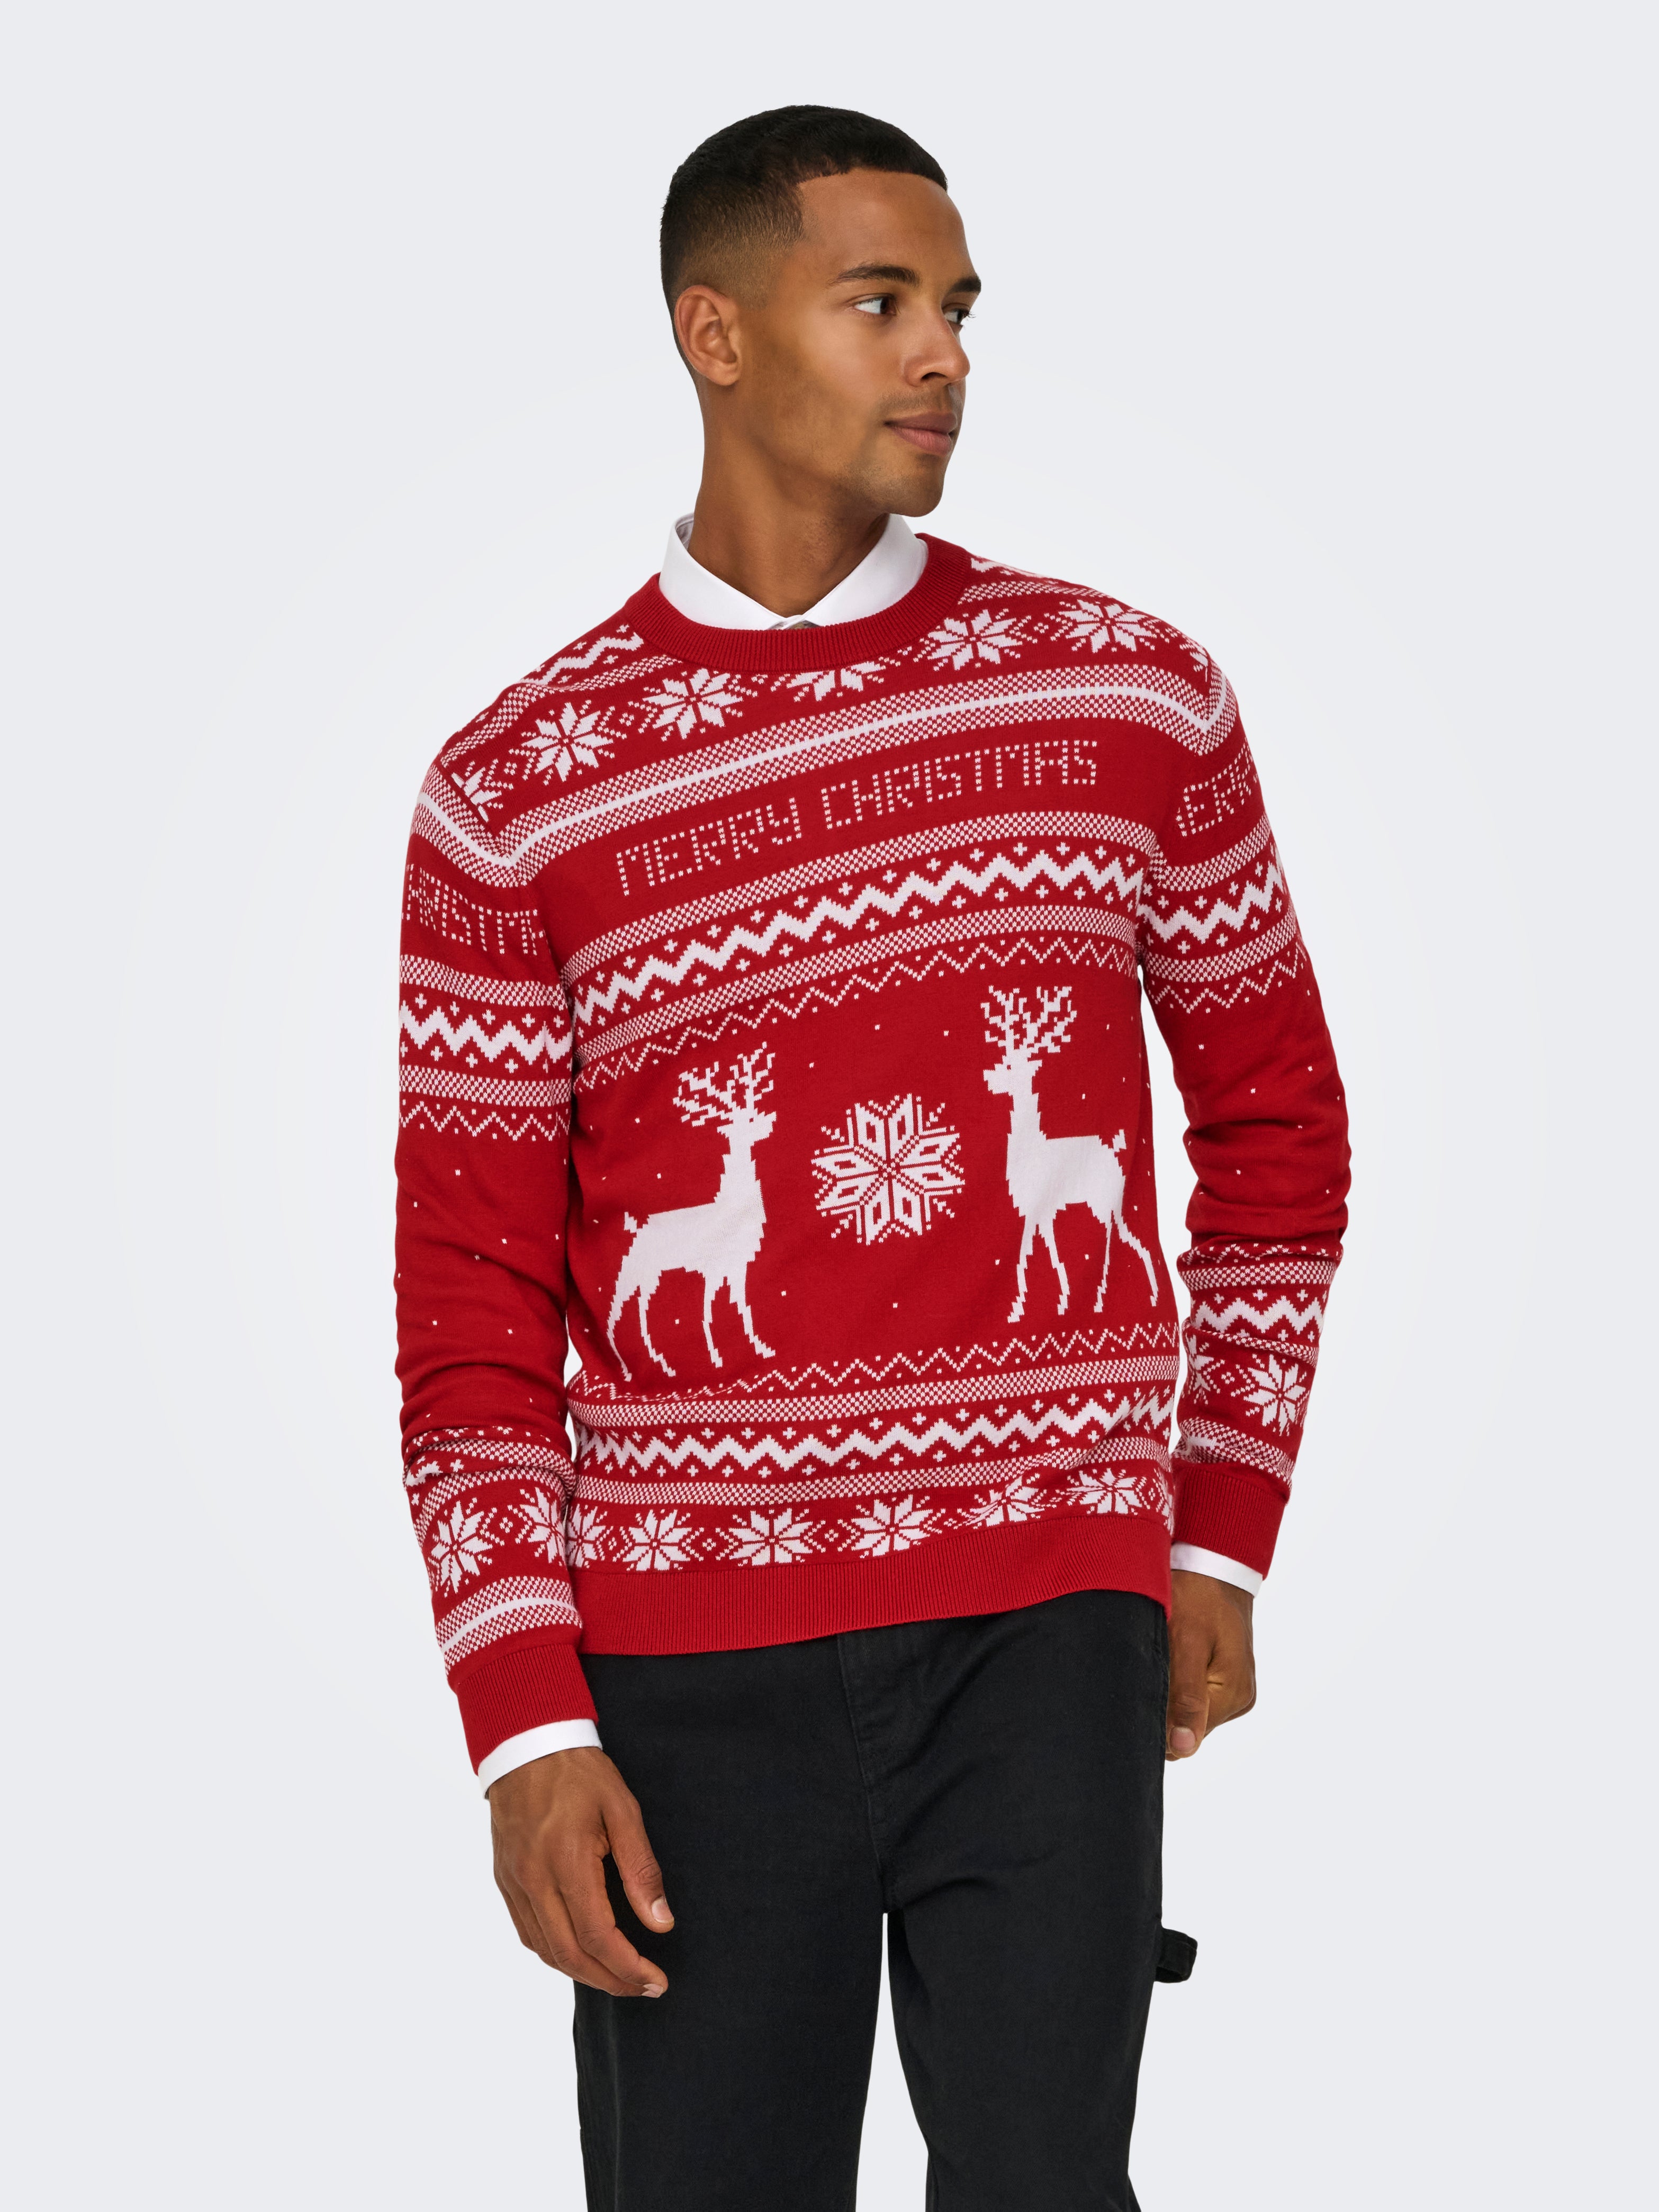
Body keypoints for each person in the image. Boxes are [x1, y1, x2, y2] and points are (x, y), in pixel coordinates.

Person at [395, 105, 1349, 2211]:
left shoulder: (1128, 699)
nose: (944, 356)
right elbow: (470, 1310)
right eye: (881, 302)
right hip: (684, 1673)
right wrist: (527, 1724)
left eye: (961, 309)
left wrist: (1217, 1529)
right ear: (715, 333)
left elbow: (1282, 1126)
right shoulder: (520, 791)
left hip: (1050, 1630)